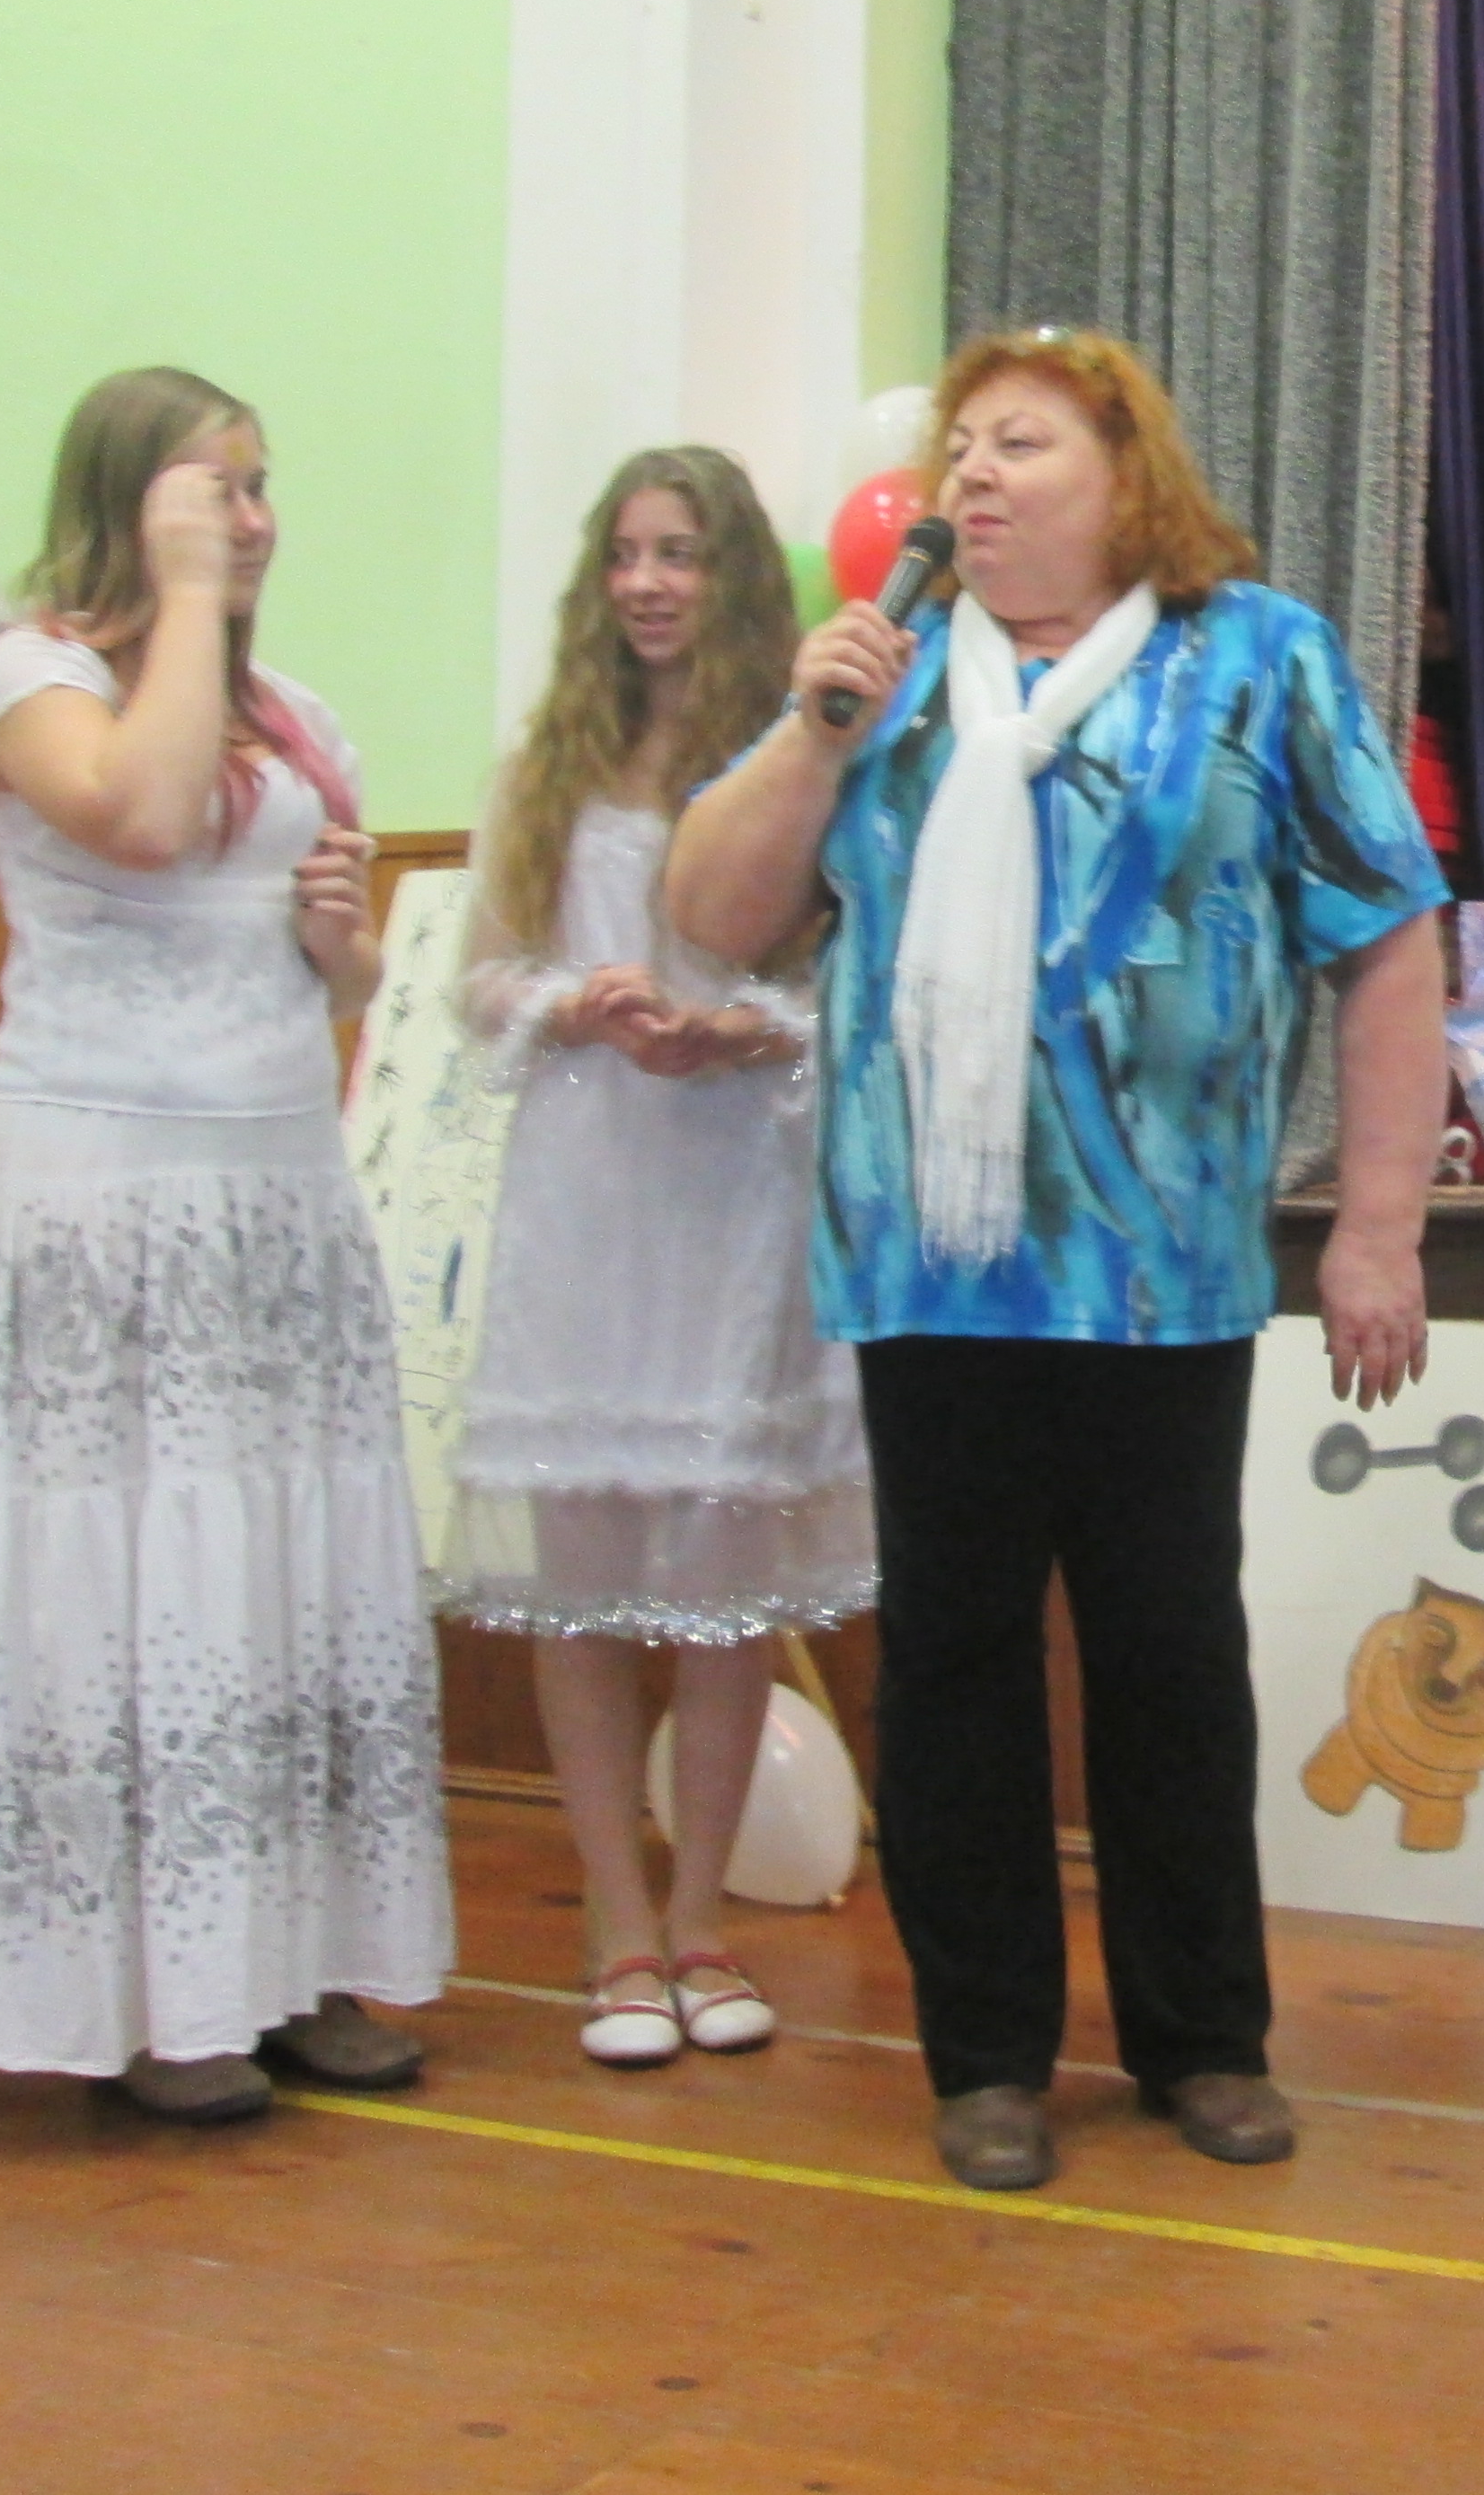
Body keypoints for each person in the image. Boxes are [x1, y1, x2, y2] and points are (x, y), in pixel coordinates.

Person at [667, 327, 1448, 2194]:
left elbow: (1387, 938)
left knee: (1170, 1648)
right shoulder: (891, 672)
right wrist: (813, 726)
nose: (973, 476)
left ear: (1127, 474)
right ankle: (987, 2054)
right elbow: (712, 916)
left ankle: (1203, 2038)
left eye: (1019, 444)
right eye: (961, 449)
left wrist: (1380, 1225)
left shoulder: (1257, 658)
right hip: (931, 1270)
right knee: (950, 1659)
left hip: (1161, 1267)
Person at [0, 368, 451, 2122]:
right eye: (214, 490)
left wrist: (347, 954)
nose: (251, 520)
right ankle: (144, 2002)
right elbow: (134, 814)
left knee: (282, 1564)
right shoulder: (27, 676)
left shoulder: (292, 715)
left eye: (261, 488)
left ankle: (291, 1966)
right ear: (127, 503)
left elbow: (333, 975)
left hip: (271, 1180)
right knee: (135, 1572)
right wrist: (188, 598)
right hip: (101, 1187)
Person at [437, 447, 874, 2069]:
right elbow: (481, 978)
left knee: (720, 1587)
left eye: (679, 553)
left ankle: (703, 1923)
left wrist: (748, 1028)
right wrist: (578, 1002)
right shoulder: (546, 762)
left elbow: (847, 988)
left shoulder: (801, 753)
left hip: (734, 1188)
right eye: (625, 553)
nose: (646, 583)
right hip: (586, 1191)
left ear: (732, 575)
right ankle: (615, 1929)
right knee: (584, 1583)